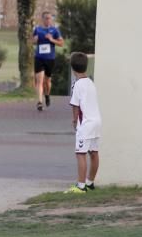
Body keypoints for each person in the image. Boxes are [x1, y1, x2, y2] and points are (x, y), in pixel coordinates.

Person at [65, 52, 101, 194]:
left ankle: (80, 187)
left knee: (81, 153)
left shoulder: (77, 85)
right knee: (94, 153)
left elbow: (75, 105)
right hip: (97, 121)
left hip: (85, 124)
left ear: (72, 68)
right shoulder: (91, 82)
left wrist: (74, 121)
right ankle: (90, 182)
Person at [32, 11, 65, 111]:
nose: (48, 20)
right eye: (46, 18)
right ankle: (39, 102)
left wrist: (51, 40)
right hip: (39, 58)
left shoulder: (55, 30)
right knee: (39, 81)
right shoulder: (37, 29)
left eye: (50, 18)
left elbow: (61, 43)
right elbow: (32, 41)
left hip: (50, 59)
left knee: (47, 81)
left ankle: (47, 95)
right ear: (42, 19)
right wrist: (35, 40)